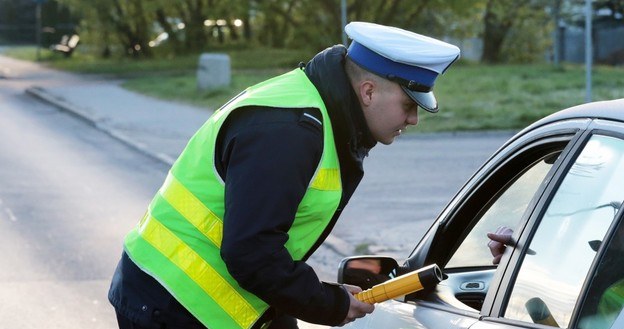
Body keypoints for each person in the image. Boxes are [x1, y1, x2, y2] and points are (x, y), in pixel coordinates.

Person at [108, 21, 460, 329]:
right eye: (409, 105)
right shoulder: (290, 131)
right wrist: (328, 303)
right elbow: (250, 251)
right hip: (171, 304)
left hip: (211, 301)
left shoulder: (321, 114)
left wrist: (313, 300)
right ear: (368, 92)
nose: (413, 119)